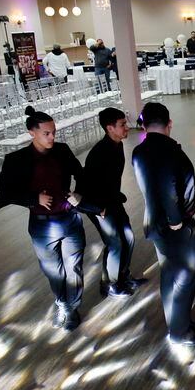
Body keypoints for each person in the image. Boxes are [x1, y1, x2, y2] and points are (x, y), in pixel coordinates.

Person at [0, 107, 97, 331]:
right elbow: (5, 191)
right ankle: (63, 304)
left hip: (69, 218)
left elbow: (80, 174)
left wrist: (78, 193)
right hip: (43, 225)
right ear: (32, 132)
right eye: (47, 133)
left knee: (74, 268)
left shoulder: (62, 150)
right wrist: (34, 198)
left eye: (54, 132)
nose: (53, 137)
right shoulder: (16, 160)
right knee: (54, 271)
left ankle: (71, 307)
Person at [132, 103, 195, 346]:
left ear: (144, 126)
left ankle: (178, 322)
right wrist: (177, 221)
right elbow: (169, 189)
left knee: (168, 273)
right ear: (170, 124)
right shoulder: (172, 152)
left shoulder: (139, 151)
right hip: (175, 226)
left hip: (153, 222)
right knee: (187, 276)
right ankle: (179, 331)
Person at [81, 108, 146, 298]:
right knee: (115, 244)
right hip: (99, 207)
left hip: (112, 202)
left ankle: (122, 276)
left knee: (128, 239)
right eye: (123, 125)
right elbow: (86, 187)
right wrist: (98, 209)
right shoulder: (99, 153)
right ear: (110, 128)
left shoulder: (116, 145)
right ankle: (111, 284)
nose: (127, 127)